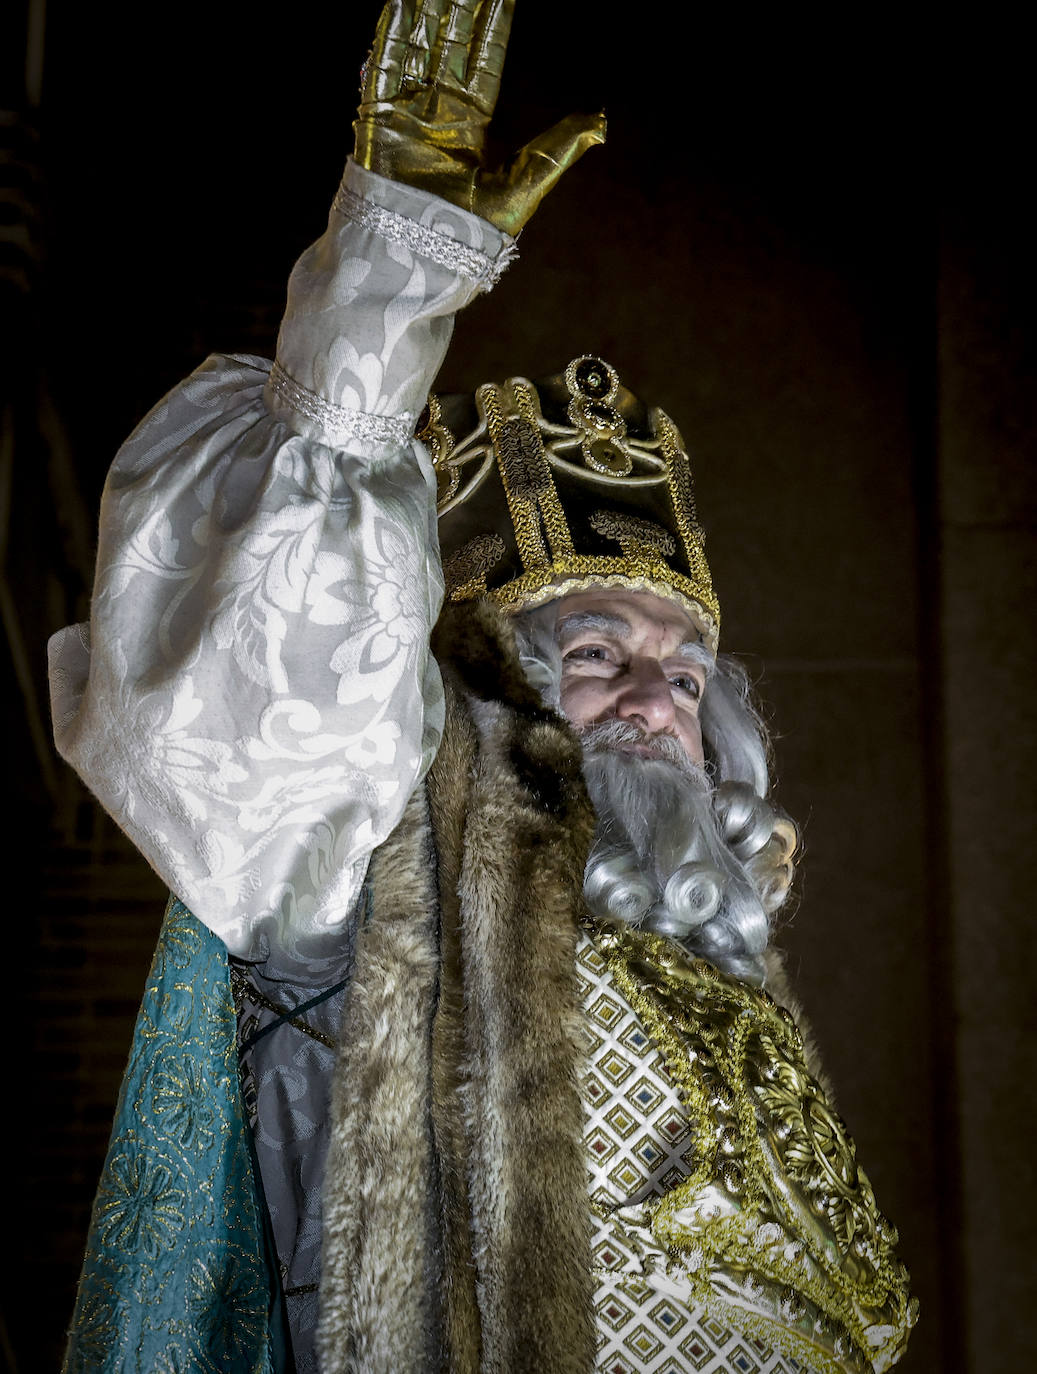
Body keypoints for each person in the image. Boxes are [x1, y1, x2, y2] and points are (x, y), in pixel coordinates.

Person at [49, 2, 916, 1371]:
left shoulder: (721, 953)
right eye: (596, 658)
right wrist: (382, 295)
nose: (651, 698)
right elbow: (300, 642)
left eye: (683, 676)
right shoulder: (378, 838)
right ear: (486, 685)